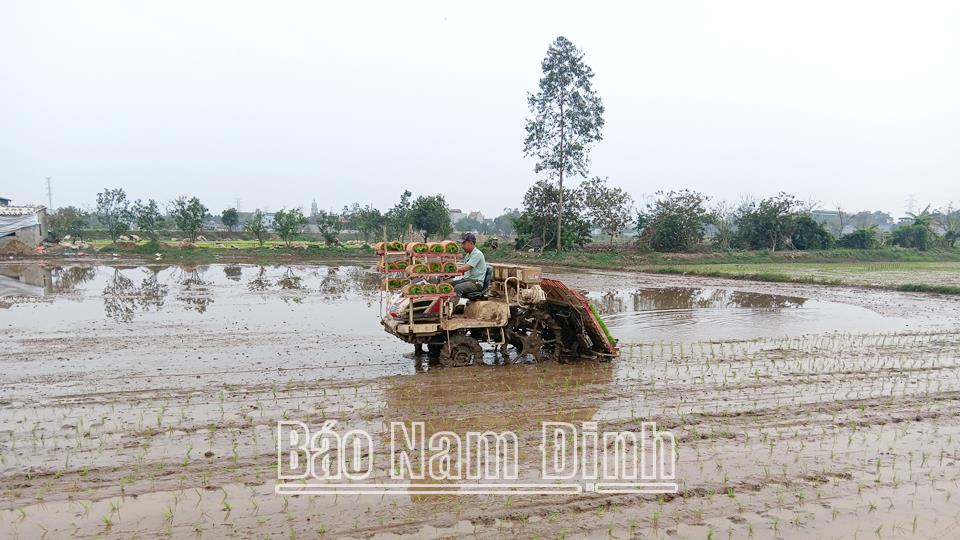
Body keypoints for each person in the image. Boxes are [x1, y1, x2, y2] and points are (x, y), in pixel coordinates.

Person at [451, 233, 487, 297]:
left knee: (457, 288)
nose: (462, 246)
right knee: (450, 284)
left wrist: (451, 270)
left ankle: (456, 305)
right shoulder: (468, 255)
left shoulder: (477, 254)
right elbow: (463, 270)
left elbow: (466, 268)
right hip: (468, 279)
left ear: (471, 243)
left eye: (464, 243)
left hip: (476, 283)